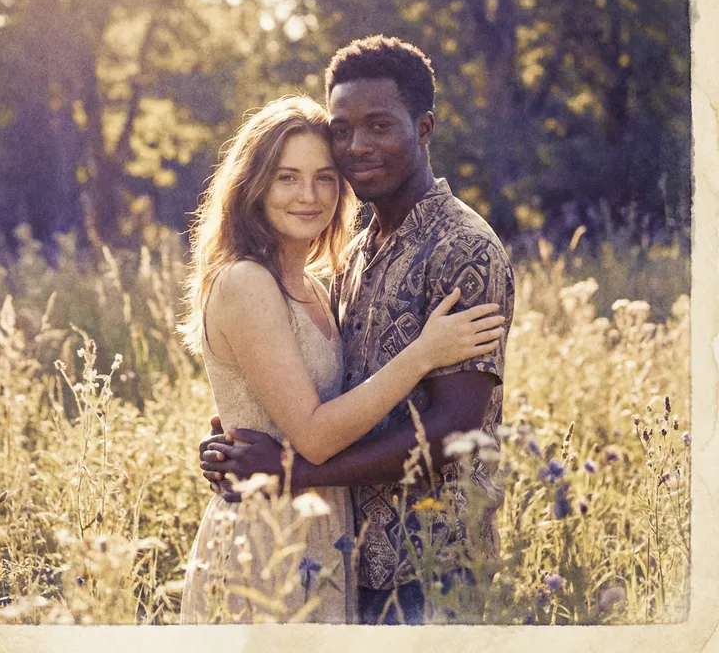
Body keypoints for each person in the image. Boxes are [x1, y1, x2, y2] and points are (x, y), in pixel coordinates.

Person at [199, 36, 515, 625]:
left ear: (423, 130)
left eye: (379, 126)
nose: (357, 147)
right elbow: (310, 393)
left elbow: (454, 432)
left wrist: (290, 471)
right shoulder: (353, 257)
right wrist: (236, 436)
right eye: (341, 130)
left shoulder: (463, 248)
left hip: (430, 569)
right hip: (340, 560)